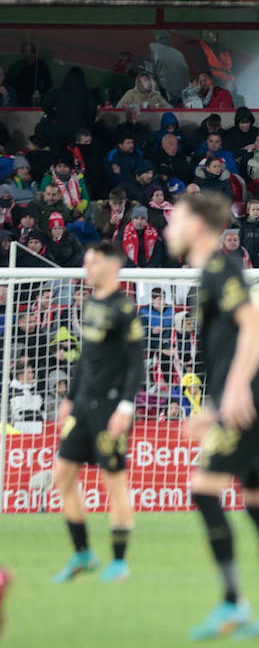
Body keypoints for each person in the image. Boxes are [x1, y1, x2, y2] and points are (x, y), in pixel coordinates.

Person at [163, 194, 259, 639]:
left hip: (253, 399)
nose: (168, 225)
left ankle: (232, 604)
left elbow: (254, 326)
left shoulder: (220, 268)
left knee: (204, 492)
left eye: (176, 218)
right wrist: (213, 402)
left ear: (197, 227)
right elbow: (228, 350)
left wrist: (235, 391)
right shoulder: (212, 273)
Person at [50, 242, 143, 585]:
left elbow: (136, 364)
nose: (86, 268)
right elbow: (86, 358)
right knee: (62, 475)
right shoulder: (89, 303)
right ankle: (83, 554)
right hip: (83, 406)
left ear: (111, 265)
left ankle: (119, 561)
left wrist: (125, 407)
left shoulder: (124, 309)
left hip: (110, 407)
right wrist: (69, 399)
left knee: (114, 482)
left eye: (91, 263)